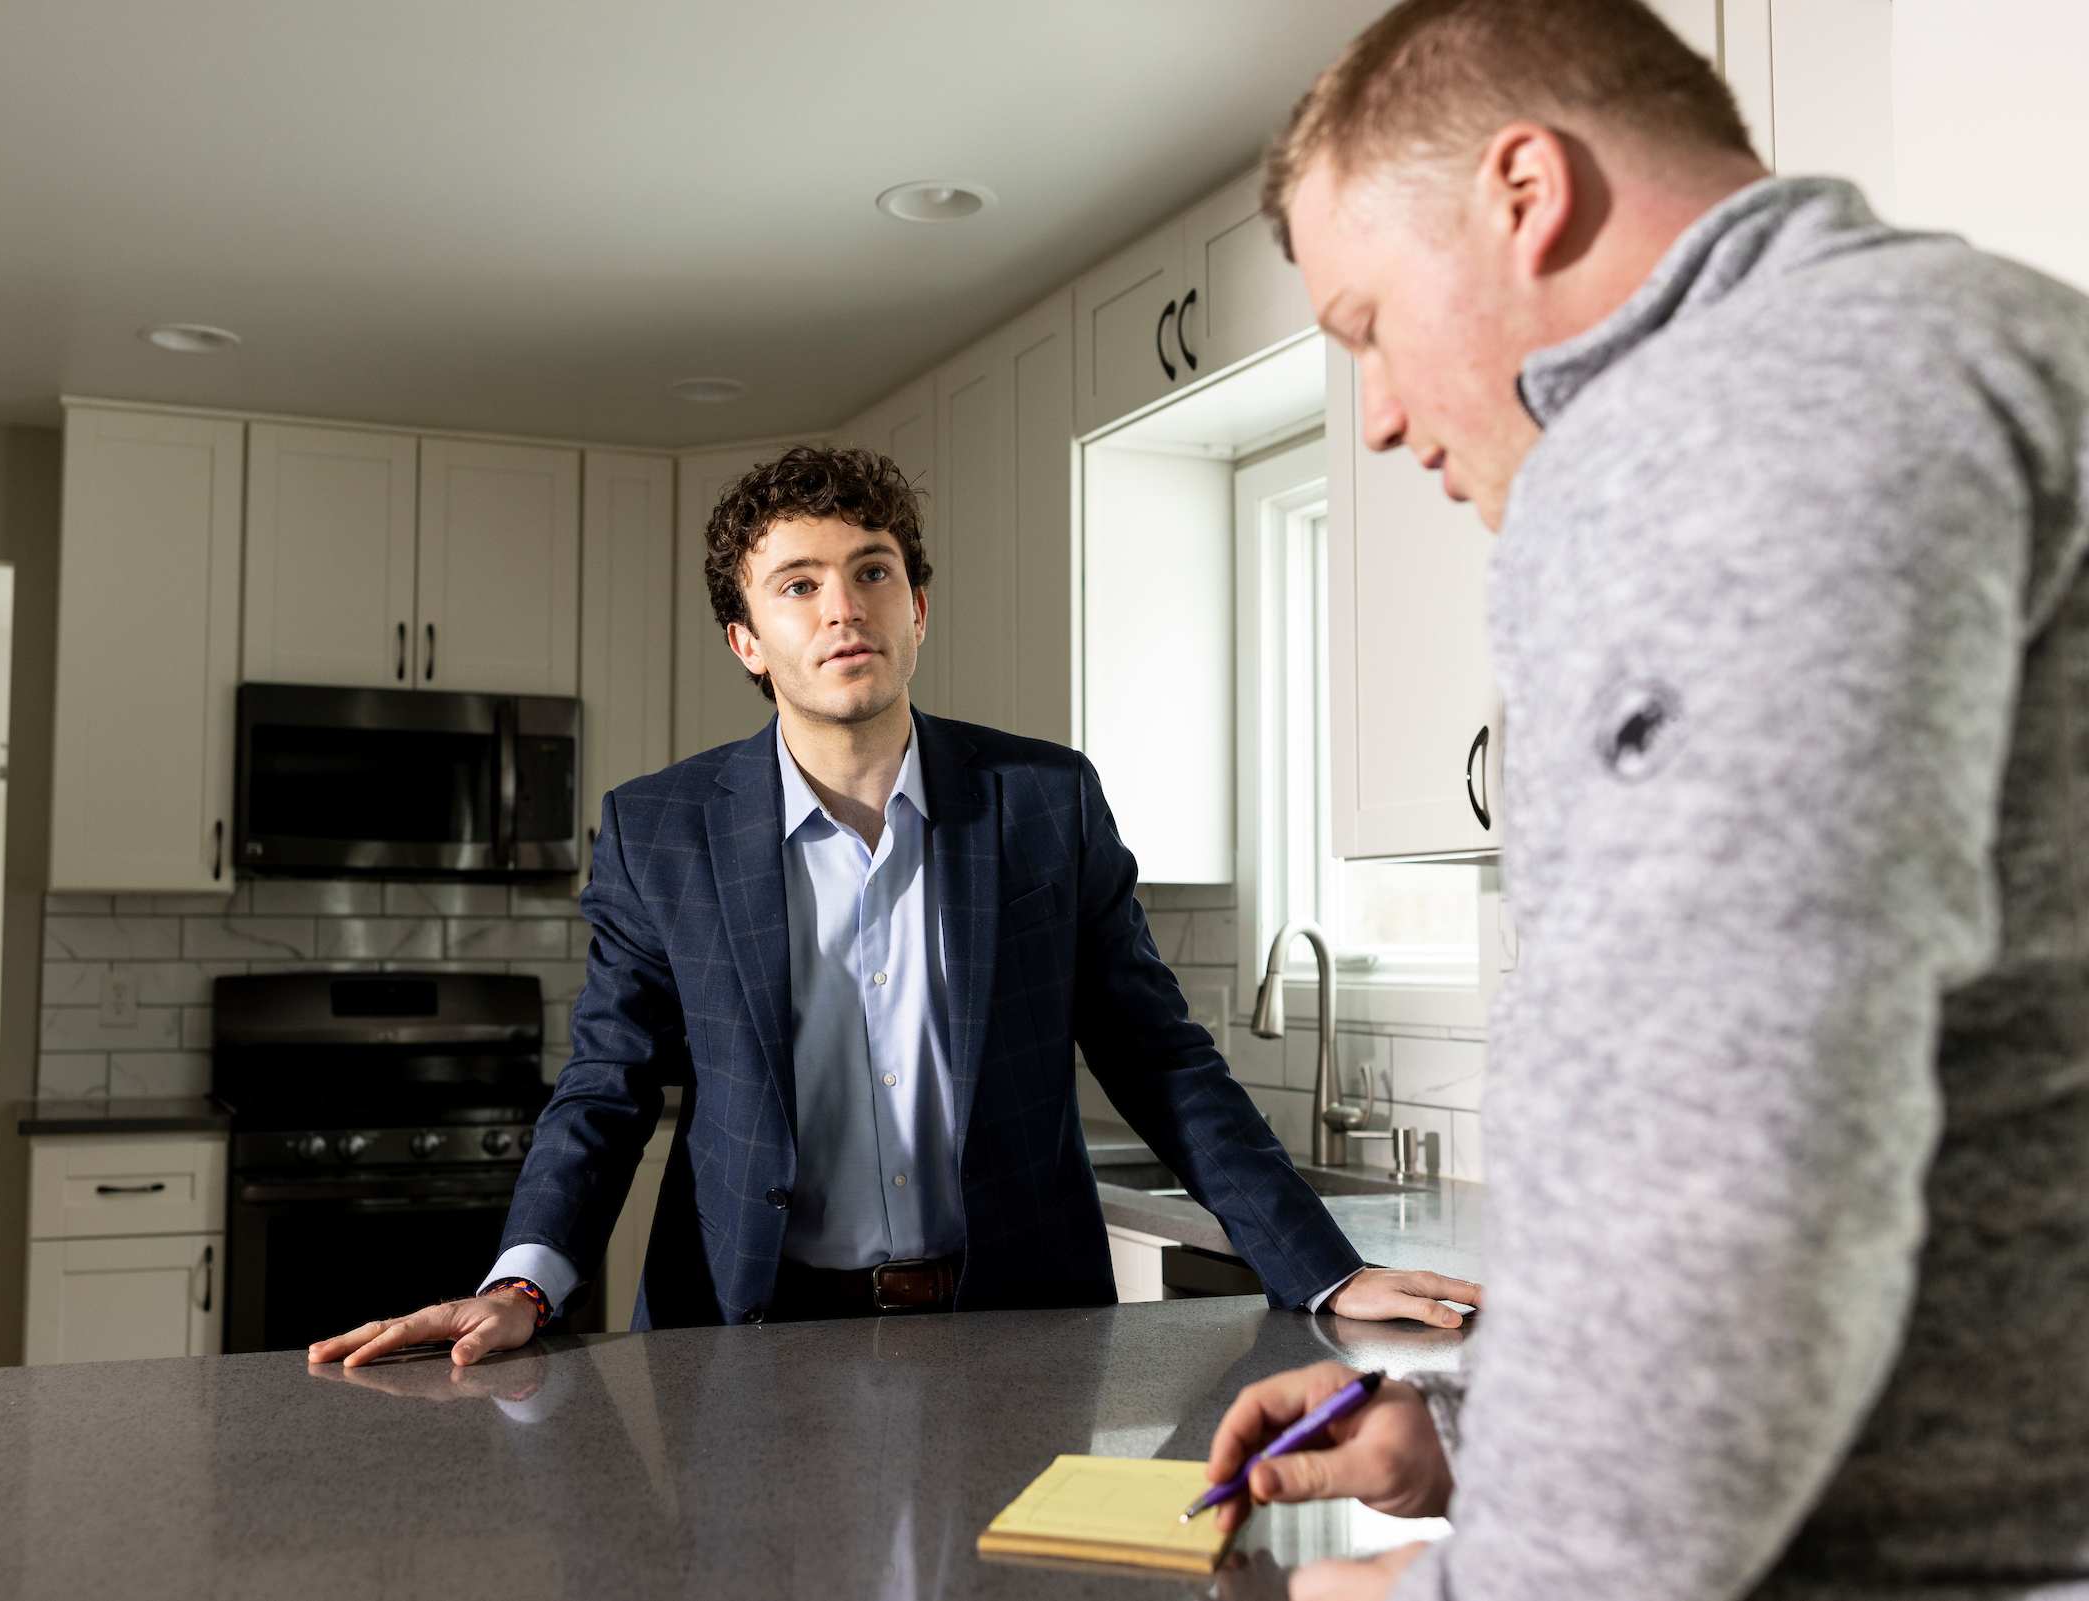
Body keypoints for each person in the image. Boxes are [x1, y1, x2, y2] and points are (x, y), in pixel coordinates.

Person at [1197, 1, 2089, 1598]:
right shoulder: (2000, 336)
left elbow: (1733, 1165)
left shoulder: (1724, 418)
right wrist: (1471, 1429)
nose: (1384, 414)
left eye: (1371, 326)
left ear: (1523, 192)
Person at [310, 445, 1479, 1365]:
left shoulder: (1044, 803)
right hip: (750, 1334)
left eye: (873, 571)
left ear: (919, 605)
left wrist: (1323, 1269)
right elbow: (608, 1086)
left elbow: (1163, 1058)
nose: (843, 609)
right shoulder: (658, 830)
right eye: (798, 585)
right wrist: (523, 1281)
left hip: (1019, 1325)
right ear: (747, 639)